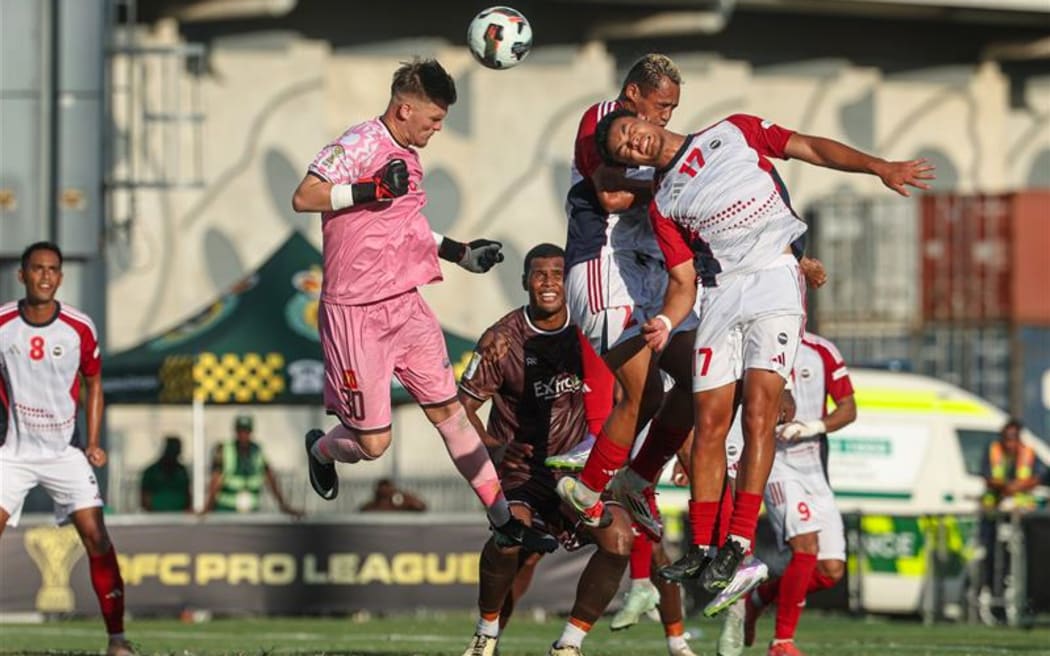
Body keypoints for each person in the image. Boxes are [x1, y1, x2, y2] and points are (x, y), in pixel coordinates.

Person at [592, 109, 934, 593]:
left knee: (758, 414)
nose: (634, 143)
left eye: (632, 132)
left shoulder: (732, 130)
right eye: (624, 148)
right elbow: (684, 279)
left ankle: (738, 541)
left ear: (647, 119)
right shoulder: (662, 203)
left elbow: (811, 147)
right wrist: (668, 319)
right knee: (708, 419)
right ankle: (703, 546)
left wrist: (879, 166)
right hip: (720, 292)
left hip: (773, 277)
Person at [290, 58, 555, 554]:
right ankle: (322, 448)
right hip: (354, 313)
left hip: (405, 306)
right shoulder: (360, 144)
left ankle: (503, 521)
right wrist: (369, 188)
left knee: (451, 413)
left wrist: (460, 252)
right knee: (373, 445)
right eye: (433, 119)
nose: (437, 129)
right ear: (404, 107)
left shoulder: (409, 158)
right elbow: (305, 197)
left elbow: (405, 228)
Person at [458, 244, 687, 656]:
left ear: (570, 282)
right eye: (539, 274)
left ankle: (569, 644)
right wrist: (494, 448)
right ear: (525, 281)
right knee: (511, 540)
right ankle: (485, 632)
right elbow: (462, 409)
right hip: (521, 470)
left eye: (557, 274)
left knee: (619, 539)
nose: (548, 283)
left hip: (575, 469)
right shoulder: (501, 339)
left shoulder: (592, 330)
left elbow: (638, 389)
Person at [557, 53, 697, 541]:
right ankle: (588, 490)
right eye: (661, 105)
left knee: (701, 377)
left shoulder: (661, 145)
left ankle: (636, 479)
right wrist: (667, 185)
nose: (666, 118)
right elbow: (612, 197)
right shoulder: (603, 120)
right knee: (642, 393)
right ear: (633, 94)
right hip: (604, 262)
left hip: (653, 270)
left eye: (674, 109)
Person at [0, 242, 136, 656]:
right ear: (21, 275)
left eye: (53, 270)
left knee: (96, 537)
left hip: (65, 452)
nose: (45, 276)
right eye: (37, 269)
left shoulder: (79, 327)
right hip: (14, 452)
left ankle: (117, 639)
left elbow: (94, 383)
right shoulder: (3, 323)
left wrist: (93, 442)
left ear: (61, 277)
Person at [721, 332, 857, 656]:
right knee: (805, 547)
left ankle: (759, 598)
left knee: (831, 570)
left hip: (815, 471)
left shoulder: (822, 350)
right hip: (776, 465)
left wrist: (813, 427)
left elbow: (849, 408)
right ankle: (782, 642)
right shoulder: (756, 346)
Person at [977, 418, 1043, 621]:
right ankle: (991, 604)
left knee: (1021, 563)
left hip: (1021, 520)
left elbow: (1038, 477)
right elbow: (989, 477)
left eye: (1013, 437)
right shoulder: (993, 452)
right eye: (1007, 437)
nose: (1010, 443)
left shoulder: (1029, 453)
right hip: (994, 517)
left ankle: (1021, 605)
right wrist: (1007, 487)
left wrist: (1015, 488)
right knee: (992, 561)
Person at [202, 415, 302, 516]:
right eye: (240, 431)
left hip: (251, 512)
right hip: (226, 510)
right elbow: (215, 481)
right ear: (236, 432)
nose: (243, 435)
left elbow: (270, 479)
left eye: (246, 432)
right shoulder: (225, 450)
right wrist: (208, 508)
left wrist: (283, 506)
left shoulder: (257, 451)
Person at [139, 435, 191, 512]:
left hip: (180, 517)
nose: (174, 454)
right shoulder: (151, 471)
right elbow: (144, 496)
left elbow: (188, 495)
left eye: (177, 450)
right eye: (172, 449)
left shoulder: (182, 471)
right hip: (156, 518)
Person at [359, 478, 426, 512]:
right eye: (382, 496)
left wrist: (406, 498)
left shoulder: (402, 503)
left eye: (387, 494)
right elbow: (362, 511)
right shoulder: (371, 506)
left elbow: (421, 507)